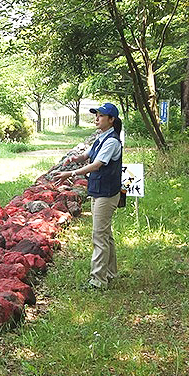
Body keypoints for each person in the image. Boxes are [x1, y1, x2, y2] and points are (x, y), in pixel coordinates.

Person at [55, 102, 124, 289]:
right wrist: (74, 159)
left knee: (98, 235)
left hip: (107, 193)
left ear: (111, 120)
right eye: (96, 115)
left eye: (101, 116)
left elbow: (97, 165)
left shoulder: (111, 141)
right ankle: (110, 272)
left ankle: (97, 280)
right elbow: (87, 156)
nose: (96, 118)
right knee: (105, 234)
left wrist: (71, 174)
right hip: (99, 190)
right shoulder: (102, 137)